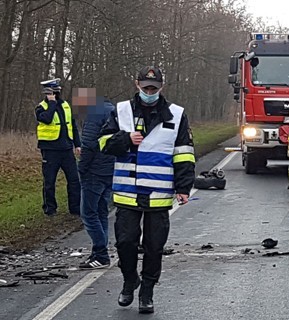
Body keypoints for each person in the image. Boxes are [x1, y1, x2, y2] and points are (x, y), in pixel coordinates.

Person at [99, 66, 195, 313]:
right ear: (136, 84)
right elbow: (103, 144)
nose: (149, 91)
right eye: (145, 87)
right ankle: (130, 280)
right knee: (126, 242)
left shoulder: (176, 114)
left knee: (154, 247)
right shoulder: (120, 111)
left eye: (153, 87)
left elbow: (184, 153)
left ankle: (147, 291)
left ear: (161, 87)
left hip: (159, 195)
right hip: (127, 192)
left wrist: (184, 187)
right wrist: (125, 139)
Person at [76, 90, 116, 270]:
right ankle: (99, 252)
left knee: (88, 213)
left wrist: (81, 168)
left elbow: (89, 145)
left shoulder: (94, 115)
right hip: (111, 168)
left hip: (94, 171)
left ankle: (101, 253)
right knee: (101, 212)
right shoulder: (114, 111)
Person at [35, 78, 81, 217]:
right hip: (50, 150)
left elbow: (72, 126)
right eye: (54, 92)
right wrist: (52, 103)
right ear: (48, 93)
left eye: (58, 91)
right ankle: (50, 209)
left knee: (74, 180)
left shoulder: (65, 105)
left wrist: (77, 145)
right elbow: (47, 119)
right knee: (49, 181)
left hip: (66, 149)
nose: (57, 94)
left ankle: (75, 208)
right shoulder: (41, 107)